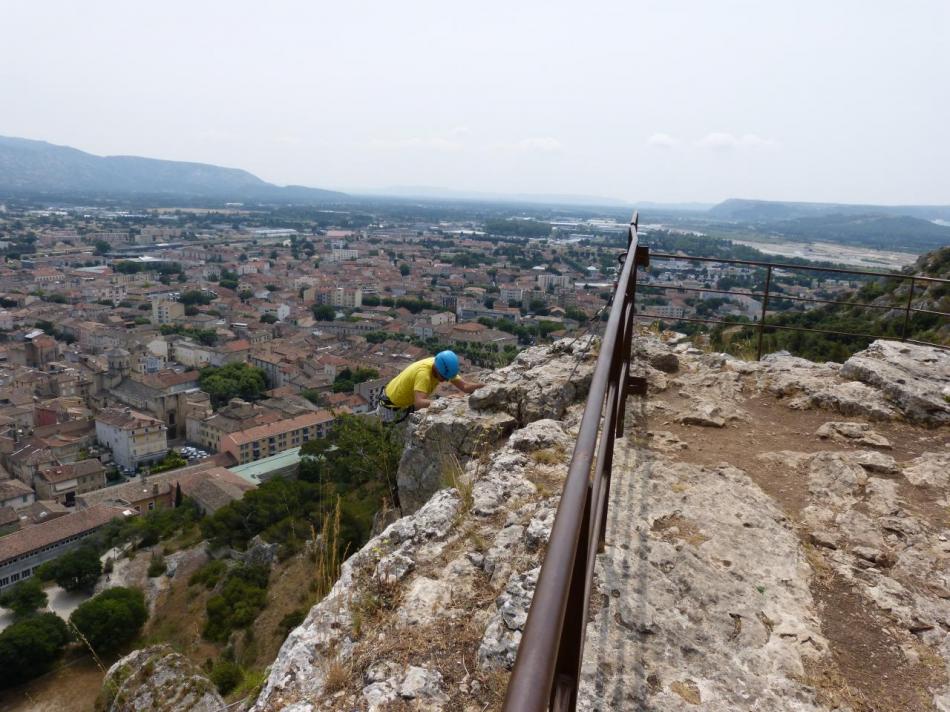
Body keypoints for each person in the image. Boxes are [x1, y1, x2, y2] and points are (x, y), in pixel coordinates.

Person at [377, 350, 484, 423]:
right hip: (391, 408)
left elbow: (465, 386)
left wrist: (485, 386)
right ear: (437, 369)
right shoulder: (424, 375)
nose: (446, 380)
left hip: (405, 404)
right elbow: (419, 403)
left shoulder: (443, 366)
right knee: (395, 444)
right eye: (444, 377)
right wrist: (446, 401)